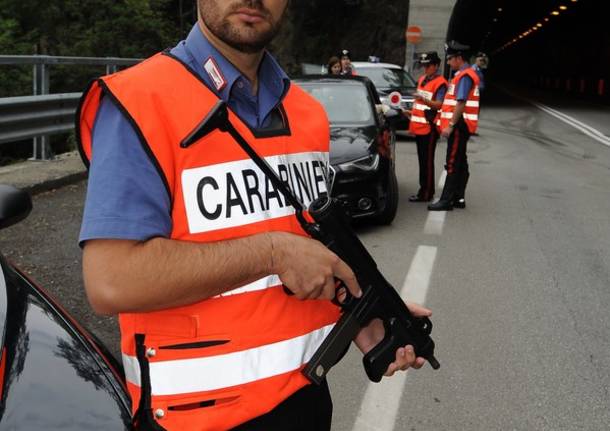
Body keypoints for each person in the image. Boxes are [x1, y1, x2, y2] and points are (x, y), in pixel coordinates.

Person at [76, 1, 432, 430]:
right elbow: (111, 281)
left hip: (307, 403)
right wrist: (272, 252)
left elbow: (311, 255)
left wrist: (368, 313)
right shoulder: (139, 101)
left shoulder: (308, 115)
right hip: (195, 419)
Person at [428, 40, 480, 211]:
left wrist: (450, 125)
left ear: (459, 58)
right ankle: (458, 198)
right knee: (461, 161)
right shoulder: (463, 75)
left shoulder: (464, 77)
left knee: (452, 161)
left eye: (450, 58)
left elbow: (460, 103)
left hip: (459, 125)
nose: (448, 62)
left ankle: (446, 201)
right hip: (462, 124)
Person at [405, 51, 447, 202]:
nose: (425, 68)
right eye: (424, 65)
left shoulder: (441, 83)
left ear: (436, 66)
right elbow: (420, 106)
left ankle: (427, 193)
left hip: (429, 129)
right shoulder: (422, 79)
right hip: (419, 127)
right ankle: (423, 190)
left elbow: (439, 104)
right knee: (422, 162)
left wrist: (423, 99)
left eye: (428, 66)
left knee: (427, 162)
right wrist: (410, 112)